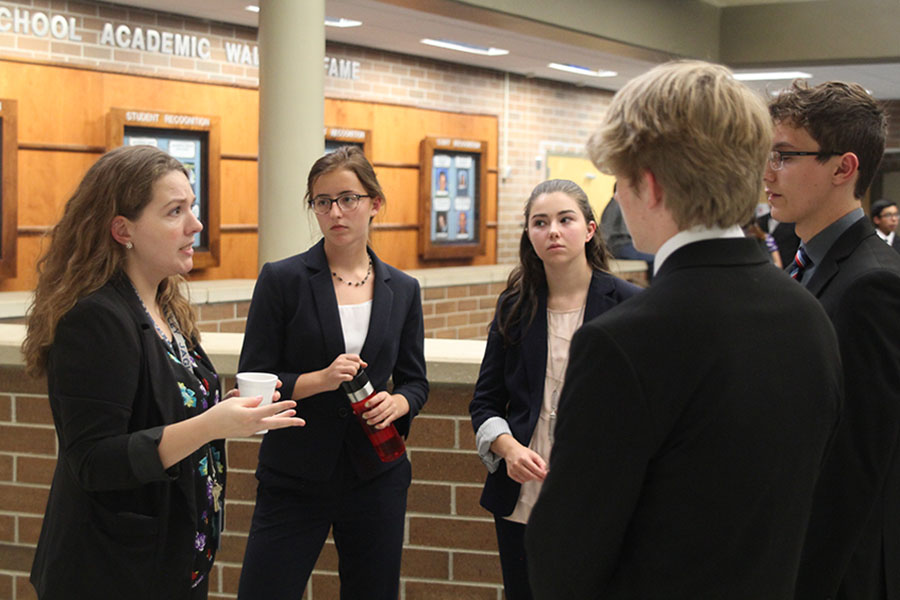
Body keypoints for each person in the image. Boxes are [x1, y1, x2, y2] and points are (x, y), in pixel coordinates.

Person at [525, 60, 841, 599]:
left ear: (648, 185)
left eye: (619, 181)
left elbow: (566, 556)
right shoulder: (808, 313)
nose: (618, 198)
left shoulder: (624, 341)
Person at [22, 145, 303, 600]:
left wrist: (227, 413)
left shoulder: (165, 305)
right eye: (175, 212)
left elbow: (170, 412)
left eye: (192, 207)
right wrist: (210, 425)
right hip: (112, 572)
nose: (195, 225)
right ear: (123, 230)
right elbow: (94, 461)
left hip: (171, 561)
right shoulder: (96, 319)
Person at [237, 146, 429, 599]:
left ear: (374, 203)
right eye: (322, 201)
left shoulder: (402, 289)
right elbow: (254, 378)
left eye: (348, 198)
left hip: (375, 474)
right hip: (294, 472)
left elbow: (415, 380)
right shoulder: (282, 280)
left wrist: (399, 402)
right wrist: (318, 379)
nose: (335, 212)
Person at [469, 179, 640, 599]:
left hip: (599, 498)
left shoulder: (629, 305)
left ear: (590, 229)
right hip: (523, 495)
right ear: (529, 234)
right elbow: (486, 401)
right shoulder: (514, 305)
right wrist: (507, 447)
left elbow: (645, 409)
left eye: (566, 219)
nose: (553, 232)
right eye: (540, 223)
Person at [767, 81, 900, 600]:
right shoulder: (806, 264)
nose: (766, 172)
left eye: (784, 156)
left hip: (841, 570)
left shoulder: (872, 283)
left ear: (843, 169)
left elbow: (856, 465)